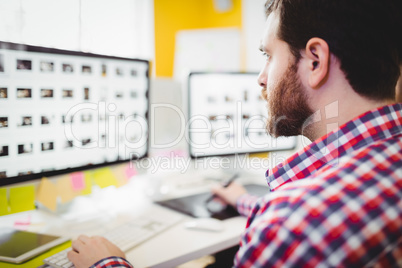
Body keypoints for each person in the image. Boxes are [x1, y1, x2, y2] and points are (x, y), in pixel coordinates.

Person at [67, 0, 402, 267]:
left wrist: (107, 264)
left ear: (315, 61)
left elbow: (298, 222)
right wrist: (249, 202)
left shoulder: (293, 224)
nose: (260, 78)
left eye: (268, 56)